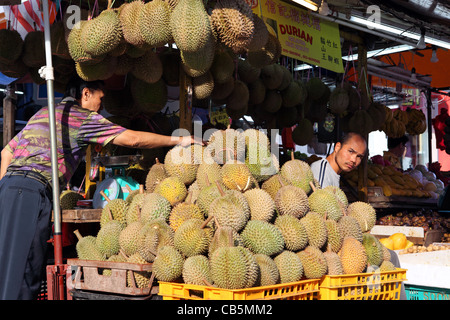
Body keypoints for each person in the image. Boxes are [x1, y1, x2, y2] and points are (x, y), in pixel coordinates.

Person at [0, 76, 202, 300]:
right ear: (85, 94)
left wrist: (8, 187)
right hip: (31, 191)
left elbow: (6, 153)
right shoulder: (82, 118)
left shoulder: (43, 112)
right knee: (24, 274)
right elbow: (132, 140)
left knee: (8, 268)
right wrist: (178, 141)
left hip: (8, 188)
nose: (102, 106)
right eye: (100, 98)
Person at [311, 132, 406, 300]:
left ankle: (377, 294)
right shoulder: (322, 169)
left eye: (359, 156)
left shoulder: (336, 175)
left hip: (339, 237)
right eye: (350, 151)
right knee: (384, 260)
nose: (354, 160)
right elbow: (318, 213)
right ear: (337, 147)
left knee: (389, 257)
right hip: (326, 241)